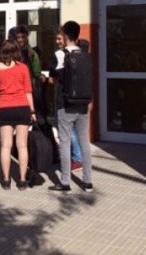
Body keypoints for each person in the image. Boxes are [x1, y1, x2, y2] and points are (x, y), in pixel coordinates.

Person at [48, 21, 94, 193]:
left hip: (65, 105)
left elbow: (54, 78)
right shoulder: (85, 53)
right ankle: (88, 182)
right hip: (83, 104)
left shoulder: (59, 55)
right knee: (84, 143)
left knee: (65, 143)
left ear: (65, 36)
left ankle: (65, 182)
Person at [0, 39, 35, 191]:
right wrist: (32, 111)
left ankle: (6, 180)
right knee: (22, 146)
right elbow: (28, 91)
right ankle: (21, 180)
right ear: (16, 52)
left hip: (5, 109)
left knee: (6, 146)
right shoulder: (23, 68)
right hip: (22, 108)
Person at [51, 31, 82, 172]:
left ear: (66, 39)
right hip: (79, 97)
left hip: (63, 98)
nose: (57, 41)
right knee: (75, 128)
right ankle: (77, 158)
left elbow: (53, 78)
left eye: (59, 38)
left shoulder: (59, 55)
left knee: (67, 130)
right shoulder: (81, 52)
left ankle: (76, 159)